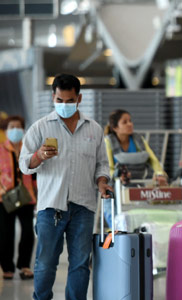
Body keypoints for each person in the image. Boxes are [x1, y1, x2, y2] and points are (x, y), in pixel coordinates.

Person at [19, 74, 111, 300]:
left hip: (83, 206)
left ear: (79, 98)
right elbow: (24, 164)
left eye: (70, 101)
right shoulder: (40, 128)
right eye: (60, 100)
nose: (64, 105)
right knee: (45, 264)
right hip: (50, 207)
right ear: (53, 97)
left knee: (80, 264)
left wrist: (102, 183)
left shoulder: (94, 129)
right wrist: (39, 156)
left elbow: (102, 164)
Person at [103, 109, 168, 227]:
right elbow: (108, 167)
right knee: (117, 222)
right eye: (125, 122)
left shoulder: (139, 140)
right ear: (115, 127)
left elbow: (153, 160)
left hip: (137, 188)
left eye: (130, 121)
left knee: (139, 222)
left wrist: (159, 174)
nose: (130, 124)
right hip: (114, 188)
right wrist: (118, 176)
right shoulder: (107, 142)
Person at [0, 115, 36, 280]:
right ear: (6, 131)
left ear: (23, 129)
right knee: (6, 233)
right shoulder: (1, 149)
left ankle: (25, 265)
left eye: (18, 127)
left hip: (26, 197)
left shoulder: (29, 149)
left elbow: (34, 173)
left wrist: (37, 194)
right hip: (4, 198)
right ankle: (7, 267)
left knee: (28, 232)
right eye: (11, 127)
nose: (15, 130)